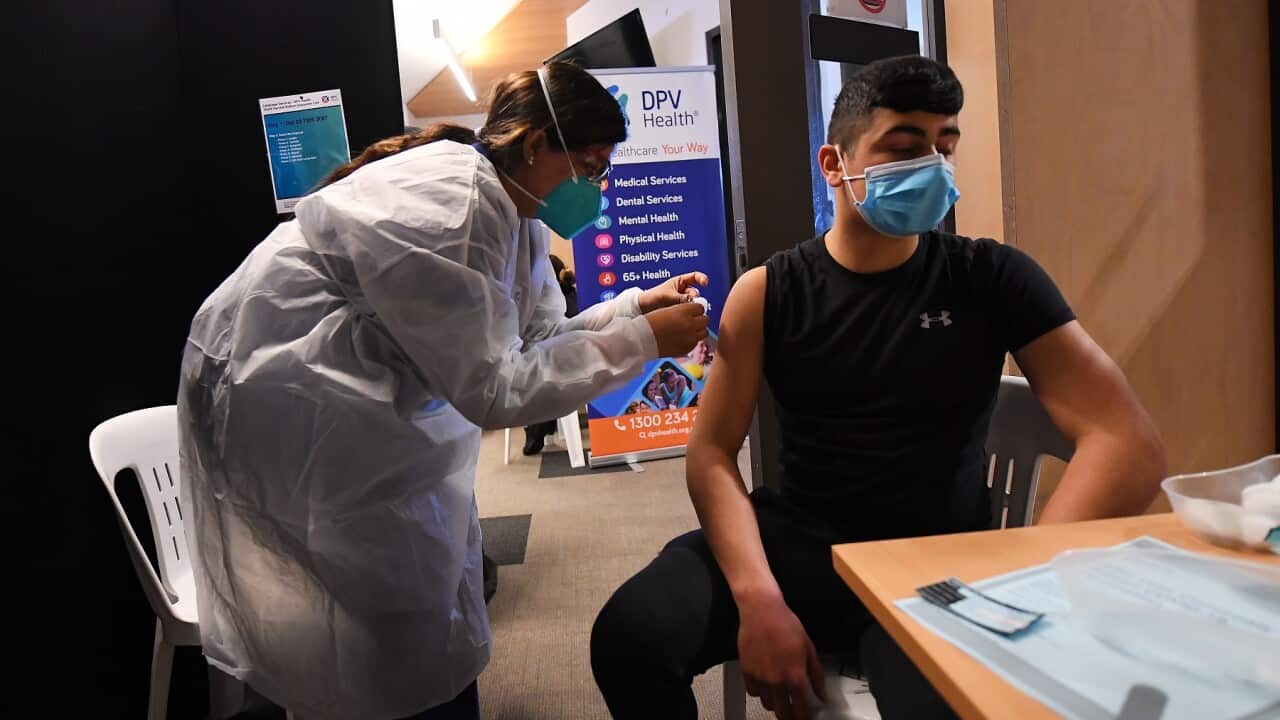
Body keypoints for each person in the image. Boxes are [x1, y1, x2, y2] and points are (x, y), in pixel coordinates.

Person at [590, 56, 1166, 720]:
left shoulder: (993, 279)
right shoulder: (769, 293)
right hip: (793, 551)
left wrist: (1020, 580)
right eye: (906, 148)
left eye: (945, 146)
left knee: (956, 705)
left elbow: (1127, 443)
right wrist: (758, 598)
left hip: (934, 570)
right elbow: (712, 453)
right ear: (833, 164)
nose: (934, 167)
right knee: (628, 639)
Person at [177, 61, 711, 720]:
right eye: (589, 164)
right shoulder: (461, 203)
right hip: (282, 385)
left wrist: (635, 312)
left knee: (423, 581)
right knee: (371, 593)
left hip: (353, 393)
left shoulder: (518, 209)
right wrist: (646, 342)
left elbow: (535, 335)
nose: (594, 186)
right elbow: (496, 390)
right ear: (538, 143)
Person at [523, 254, 580, 455]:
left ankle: (537, 431)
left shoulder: (548, 303)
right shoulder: (573, 295)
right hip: (575, 358)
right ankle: (543, 427)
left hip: (560, 363)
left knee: (537, 373)